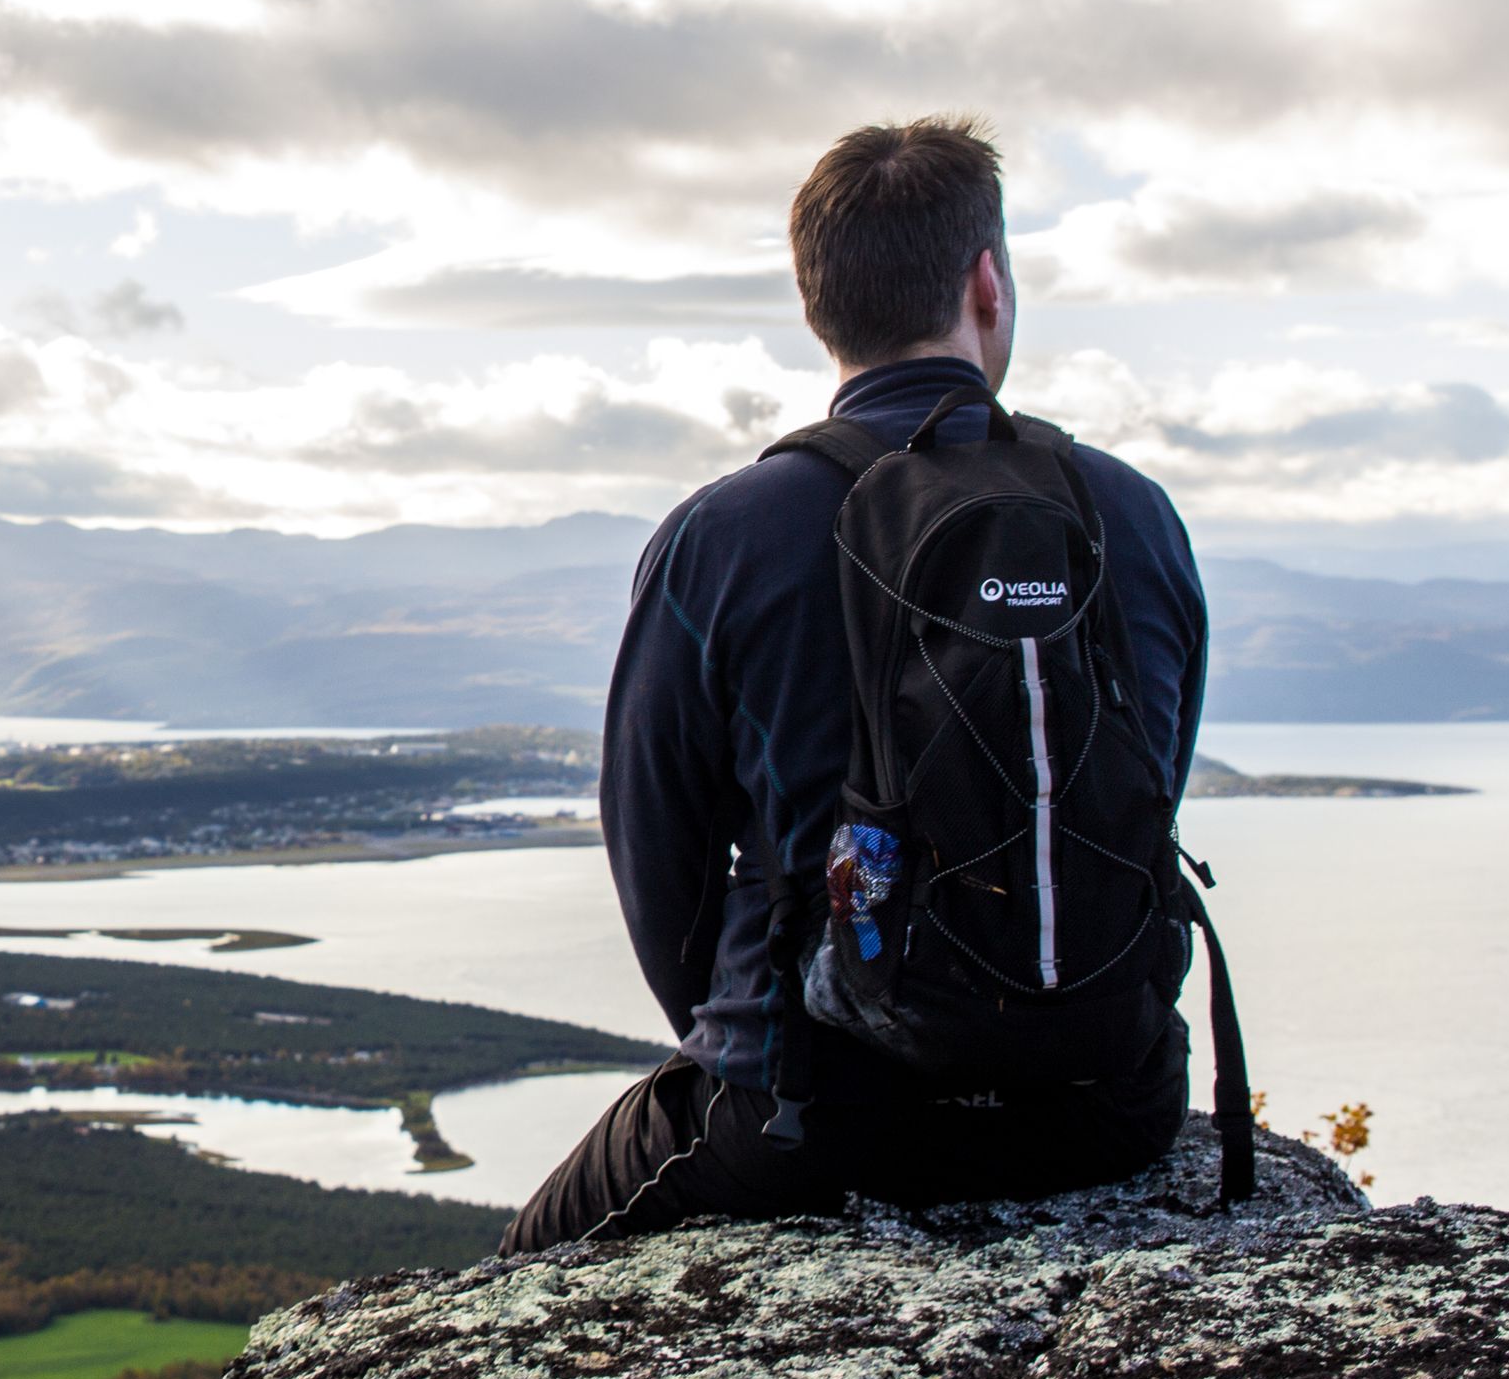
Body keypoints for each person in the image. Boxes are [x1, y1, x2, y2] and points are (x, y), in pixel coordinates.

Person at [499, 115, 1208, 1255]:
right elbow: (1151, 785)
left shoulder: (722, 536)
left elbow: (660, 860)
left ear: (815, 304)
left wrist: (745, 1033)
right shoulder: (1128, 513)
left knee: (530, 1270)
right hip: (1105, 1110)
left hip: (816, 1118)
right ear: (987, 284)